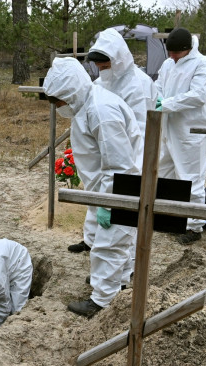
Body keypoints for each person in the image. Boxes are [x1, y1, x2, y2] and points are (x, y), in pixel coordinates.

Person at [43, 57, 141, 318]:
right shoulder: (87, 104)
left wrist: (109, 203)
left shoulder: (101, 112)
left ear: (70, 92)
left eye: (59, 100)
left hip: (121, 187)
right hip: (108, 187)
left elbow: (118, 165)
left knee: (110, 243)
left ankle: (102, 301)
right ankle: (117, 283)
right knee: (117, 241)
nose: (58, 107)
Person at [154, 28, 206, 244]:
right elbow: (159, 87)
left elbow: (198, 96)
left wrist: (166, 104)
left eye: (175, 52)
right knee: (164, 175)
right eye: (169, 52)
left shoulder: (203, 65)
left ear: (187, 49)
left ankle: (193, 226)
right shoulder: (167, 64)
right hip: (168, 129)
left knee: (190, 179)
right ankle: (169, 218)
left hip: (192, 133)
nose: (171, 56)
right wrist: (155, 99)